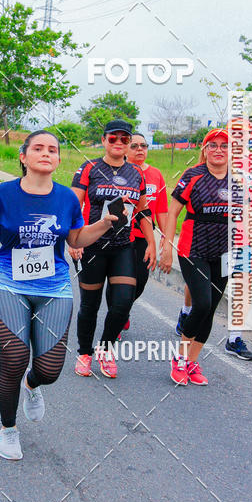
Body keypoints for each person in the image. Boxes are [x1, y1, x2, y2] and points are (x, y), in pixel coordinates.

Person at [0, 130, 125, 461]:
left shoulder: (66, 198)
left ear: (59, 159)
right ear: (24, 157)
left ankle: (31, 387)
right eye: (38, 148)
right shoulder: (4, 193)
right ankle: (7, 430)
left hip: (54, 288)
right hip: (8, 284)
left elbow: (76, 239)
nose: (46, 153)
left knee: (48, 369)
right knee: (15, 358)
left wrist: (104, 224)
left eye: (52, 149)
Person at [69, 120, 156, 379]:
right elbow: (73, 206)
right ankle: (85, 353)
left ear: (129, 143)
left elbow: (142, 210)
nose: (119, 143)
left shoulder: (136, 173)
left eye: (124, 139)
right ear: (104, 140)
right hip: (92, 246)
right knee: (90, 306)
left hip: (122, 247)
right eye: (113, 138)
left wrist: (151, 242)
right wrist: (73, 241)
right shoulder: (89, 168)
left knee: (122, 304)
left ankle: (106, 348)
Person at [160, 128, 233, 386]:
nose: (218, 150)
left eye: (224, 145)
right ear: (204, 150)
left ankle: (192, 361)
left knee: (211, 308)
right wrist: (167, 245)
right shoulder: (193, 175)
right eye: (212, 145)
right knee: (201, 303)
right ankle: (179, 358)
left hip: (225, 253)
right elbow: (173, 212)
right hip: (194, 250)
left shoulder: (238, 180)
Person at [107, 131, 168, 336]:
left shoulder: (156, 175)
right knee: (119, 281)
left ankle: (121, 310)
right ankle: (116, 317)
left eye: (143, 146)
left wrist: (164, 240)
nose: (140, 149)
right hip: (120, 235)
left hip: (143, 237)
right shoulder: (119, 172)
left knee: (140, 280)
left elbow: (161, 210)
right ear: (125, 148)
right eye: (134, 145)